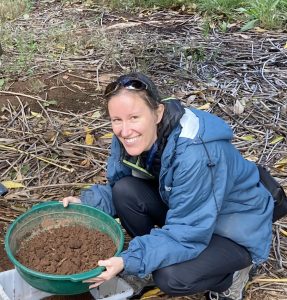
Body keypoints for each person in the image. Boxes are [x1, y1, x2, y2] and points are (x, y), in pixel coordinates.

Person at [62, 72, 274, 300]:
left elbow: (189, 232)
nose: (124, 130)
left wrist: (130, 259)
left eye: (134, 117)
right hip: (188, 211)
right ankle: (153, 258)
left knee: (170, 276)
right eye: (117, 120)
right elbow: (117, 187)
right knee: (124, 190)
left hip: (232, 229)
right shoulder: (128, 137)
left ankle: (232, 276)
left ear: (158, 112)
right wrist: (87, 203)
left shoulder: (195, 154)